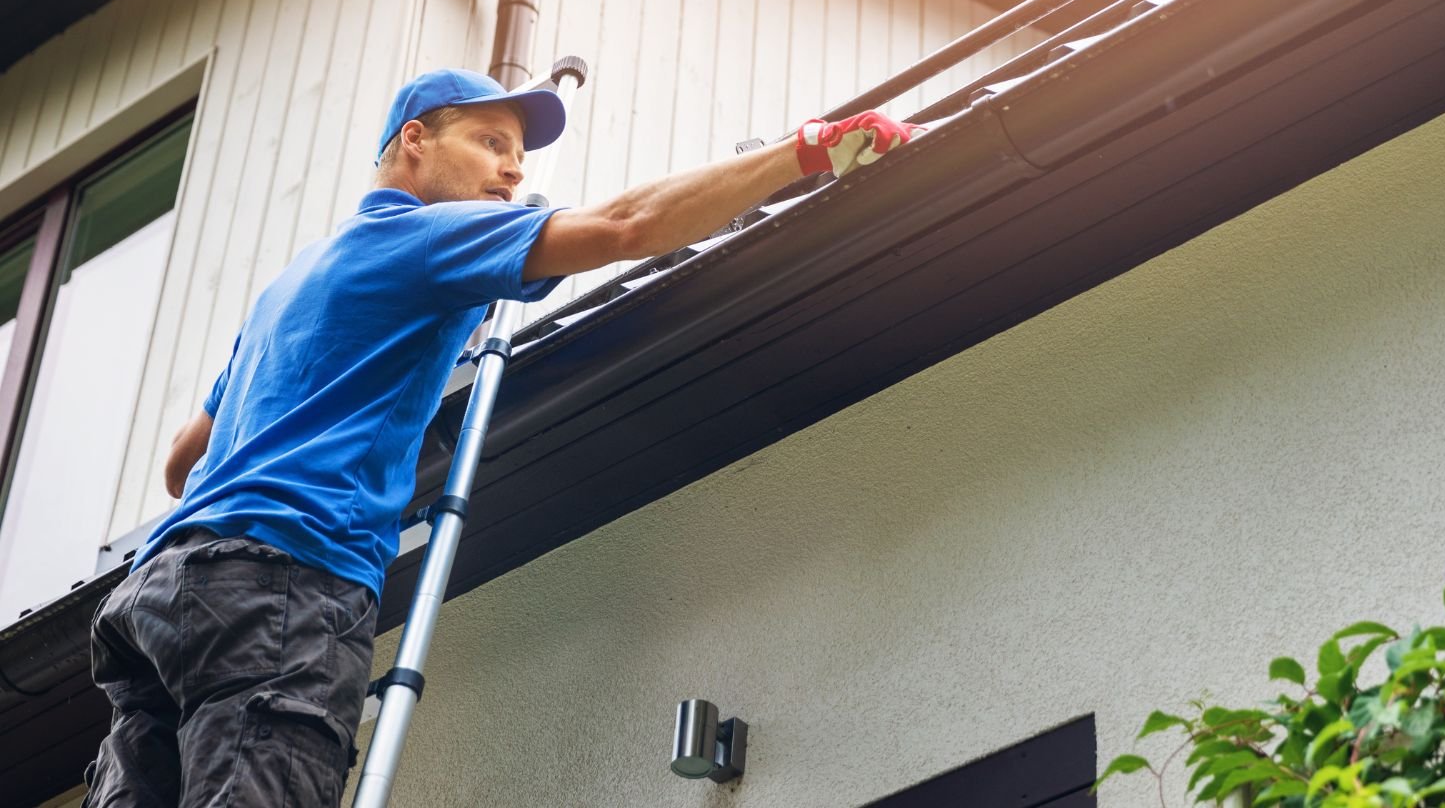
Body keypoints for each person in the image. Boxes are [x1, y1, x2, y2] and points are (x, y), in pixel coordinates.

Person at [82, 68, 921, 807]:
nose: (513, 170)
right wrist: (807, 150)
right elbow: (628, 225)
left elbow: (180, 462)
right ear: (415, 142)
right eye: (490, 142)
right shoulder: (422, 238)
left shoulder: (290, 285)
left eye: (518, 154)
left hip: (161, 598)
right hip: (281, 589)